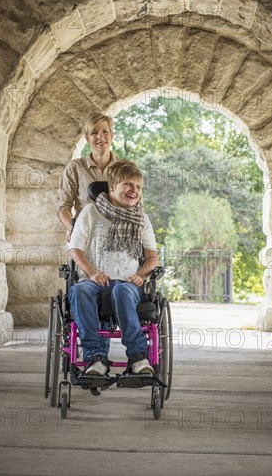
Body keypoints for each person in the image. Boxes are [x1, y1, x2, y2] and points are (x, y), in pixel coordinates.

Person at [68, 161, 158, 376]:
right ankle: (95, 357)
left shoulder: (141, 218)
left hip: (127, 283)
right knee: (79, 290)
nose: (134, 191)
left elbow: (152, 257)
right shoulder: (91, 212)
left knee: (121, 290)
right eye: (128, 185)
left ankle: (138, 357)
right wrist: (91, 273)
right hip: (93, 281)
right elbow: (75, 250)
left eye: (138, 187)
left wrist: (140, 275)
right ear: (111, 188)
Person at [57, 112, 118, 240]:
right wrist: (74, 230)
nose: (100, 137)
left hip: (116, 238)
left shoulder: (124, 169)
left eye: (105, 132)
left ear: (112, 135)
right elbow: (63, 207)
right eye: (94, 133)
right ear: (87, 138)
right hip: (85, 238)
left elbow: (136, 207)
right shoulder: (75, 168)